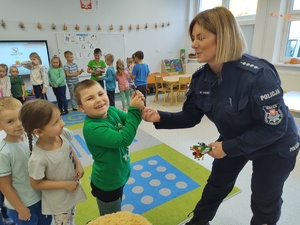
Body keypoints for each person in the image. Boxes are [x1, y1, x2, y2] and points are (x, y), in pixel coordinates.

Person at [142, 7, 299, 225]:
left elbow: (274, 128)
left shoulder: (257, 74)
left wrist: (227, 148)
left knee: (264, 200)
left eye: (201, 37)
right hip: (235, 137)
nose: (194, 44)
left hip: (275, 145)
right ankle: (199, 221)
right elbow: (190, 116)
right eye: (193, 38)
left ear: (223, 36)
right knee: (217, 184)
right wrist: (158, 116)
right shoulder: (200, 78)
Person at [73, 79, 145, 216]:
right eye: (90, 98)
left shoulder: (112, 110)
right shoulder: (93, 128)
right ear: (81, 107)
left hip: (119, 175)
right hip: (107, 184)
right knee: (111, 218)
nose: (98, 100)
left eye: (101, 94)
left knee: (116, 207)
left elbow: (131, 119)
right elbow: (124, 139)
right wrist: (135, 109)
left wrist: (140, 109)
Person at [19, 99, 86, 225]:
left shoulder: (62, 134)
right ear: (39, 132)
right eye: (55, 122)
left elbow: (69, 148)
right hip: (59, 200)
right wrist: (64, 185)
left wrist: (78, 164)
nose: (63, 123)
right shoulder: (38, 158)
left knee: (72, 218)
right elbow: (36, 184)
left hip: (71, 190)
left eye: (60, 118)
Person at [0, 97, 52, 225]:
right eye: (10, 121)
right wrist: (20, 208)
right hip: (22, 205)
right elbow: (5, 185)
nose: (19, 124)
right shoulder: (4, 152)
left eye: (21, 118)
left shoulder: (33, 137)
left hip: (41, 198)